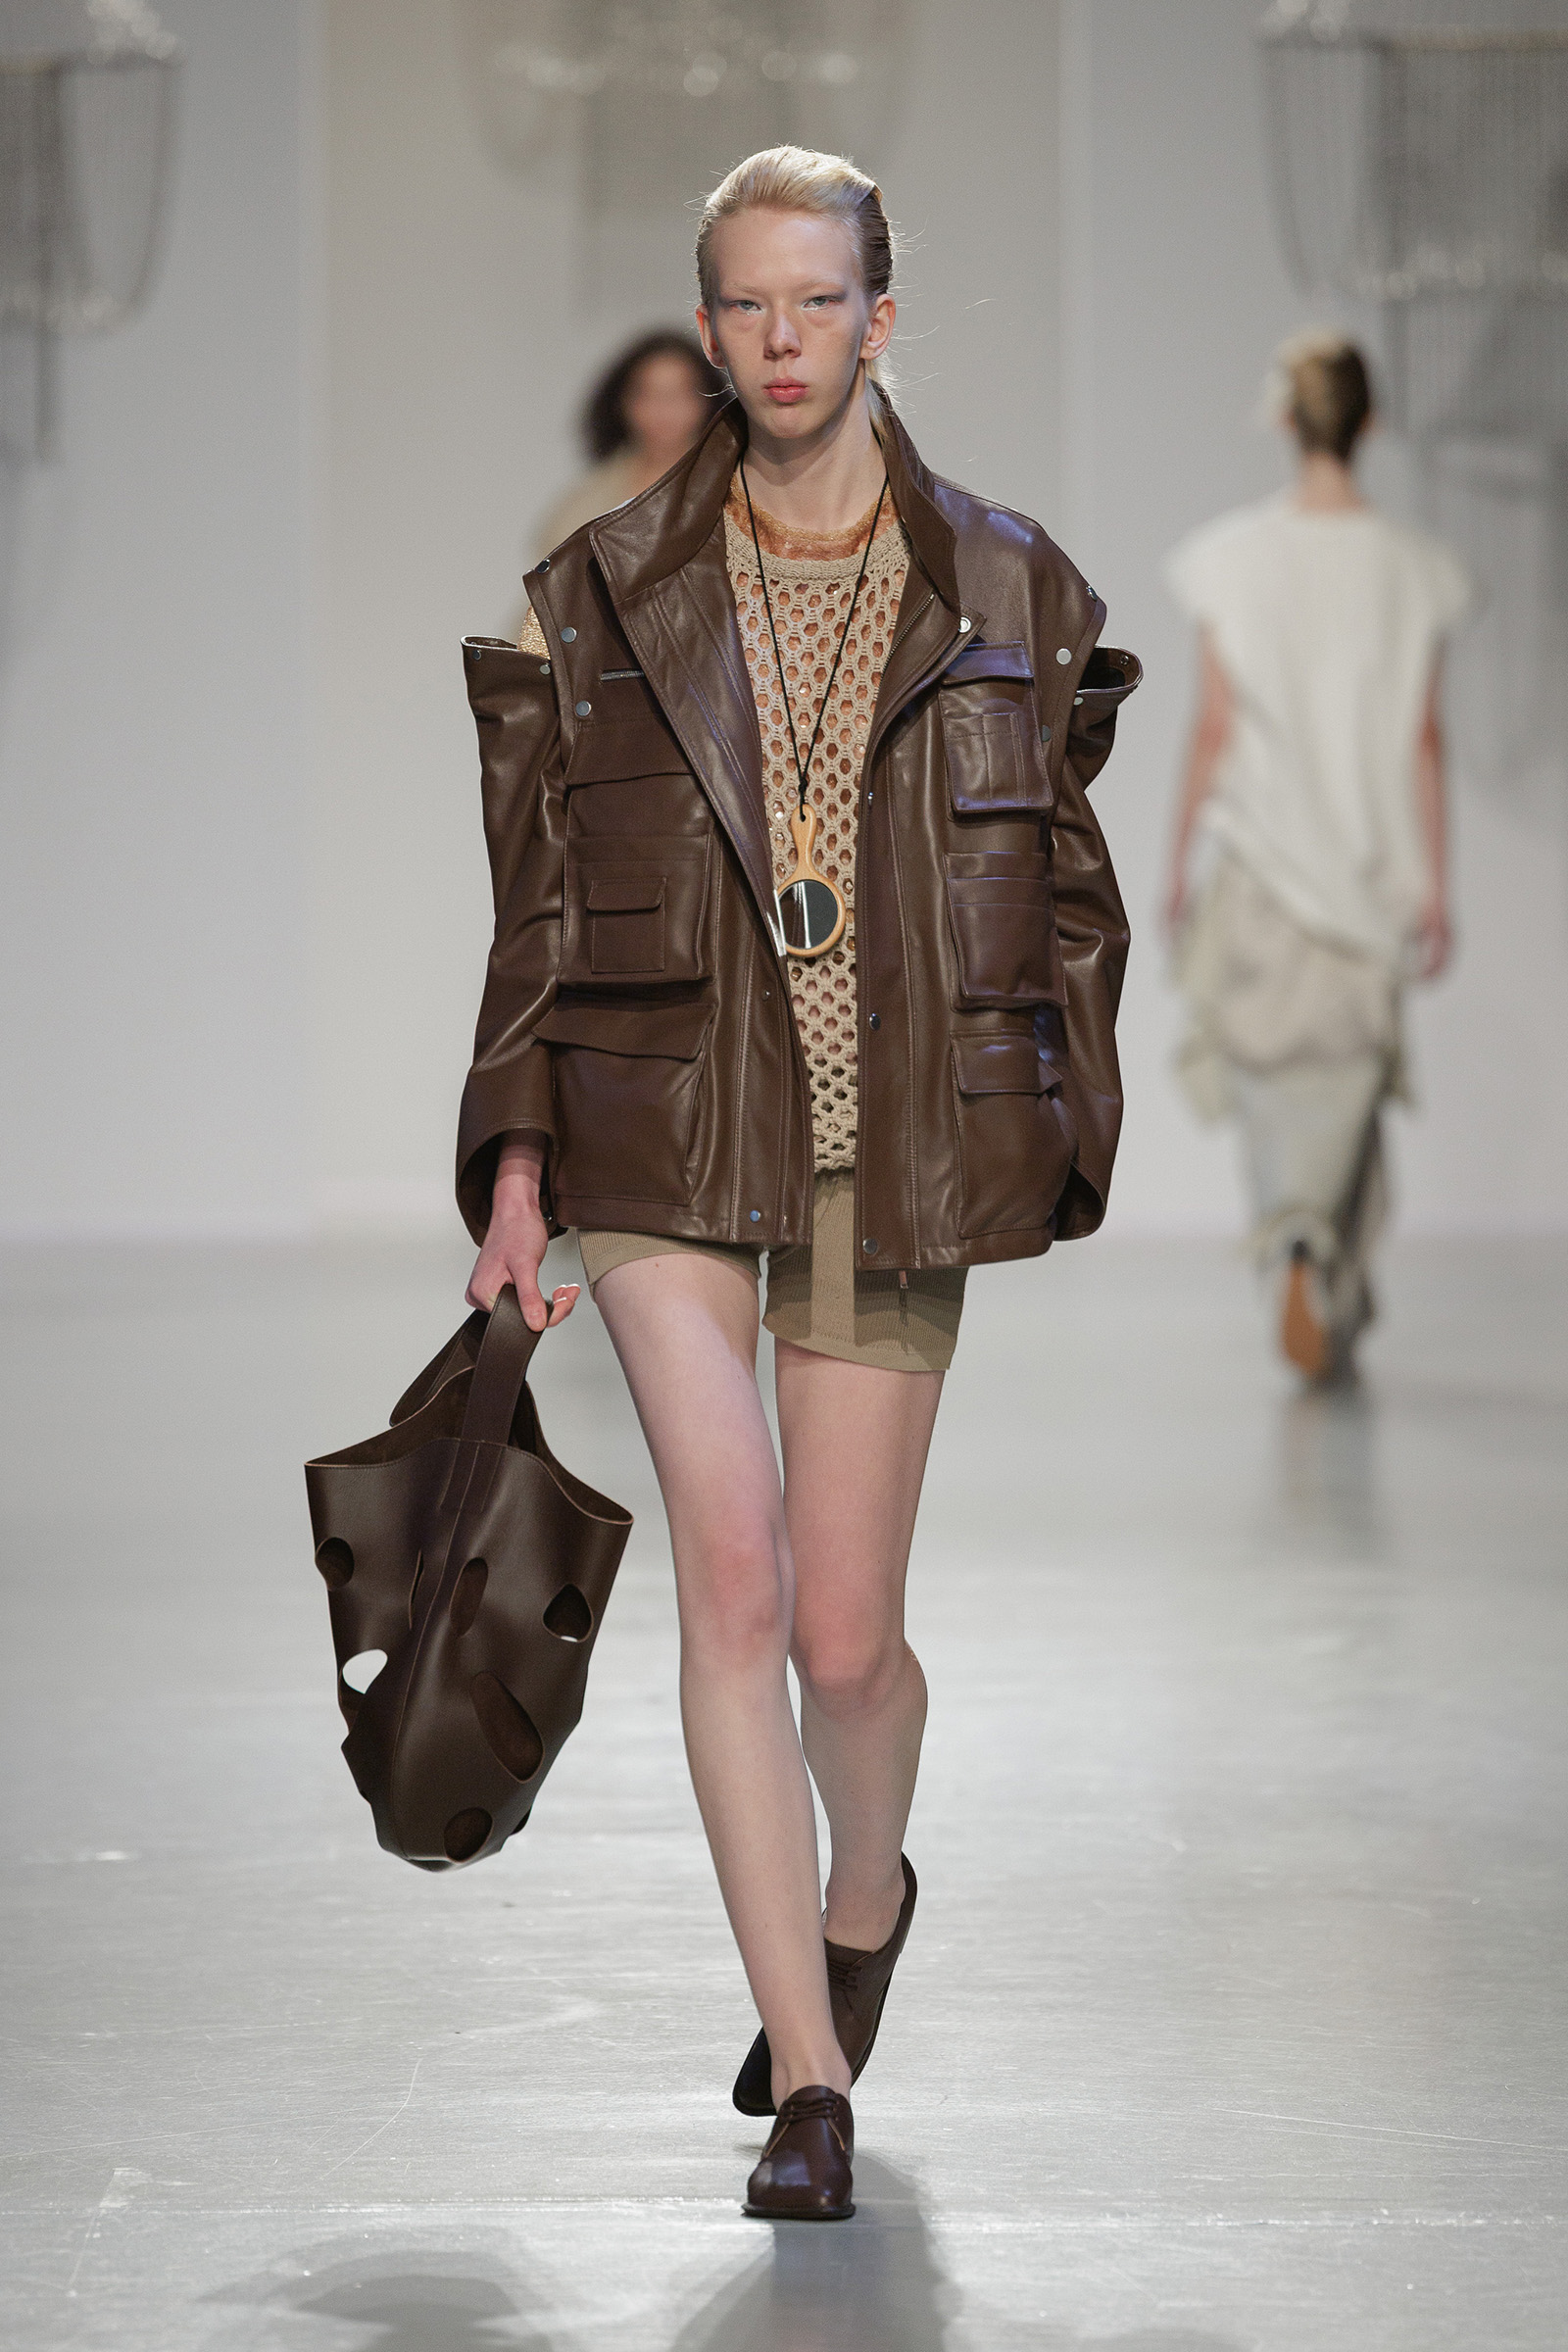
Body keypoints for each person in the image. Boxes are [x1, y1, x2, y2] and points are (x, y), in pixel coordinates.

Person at [458, 146, 1138, 2221]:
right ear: (708, 322)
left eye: (816, 299)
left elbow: (1072, 901)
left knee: (845, 1643)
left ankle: (866, 1896)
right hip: (659, 1116)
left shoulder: (1010, 586)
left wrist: (1045, 1111)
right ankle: (810, 2078)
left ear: (877, 315)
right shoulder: (600, 590)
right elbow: (537, 899)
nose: (779, 337)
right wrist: (513, 1158)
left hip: (887, 1143)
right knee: (732, 1588)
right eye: (746, 302)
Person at [1164, 330, 1469, 1383]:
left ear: (1285, 422)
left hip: (1258, 862)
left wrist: (1175, 865)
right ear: (1370, 422)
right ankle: (1331, 1268)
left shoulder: (1229, 558)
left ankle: (1292, 1238)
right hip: (1369, 871)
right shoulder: (1417, 569)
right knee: (1351, 1089)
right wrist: (1437, 886)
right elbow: (1423, 738)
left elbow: (1214, 727)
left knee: (1268, 1082)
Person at [532, 328, 725, 558]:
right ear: (622, 403)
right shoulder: (587, 503)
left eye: (679, 395)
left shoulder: (739, 489)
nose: (664, 411)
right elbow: (553, 570)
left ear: (708, 402)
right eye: (649, 395)